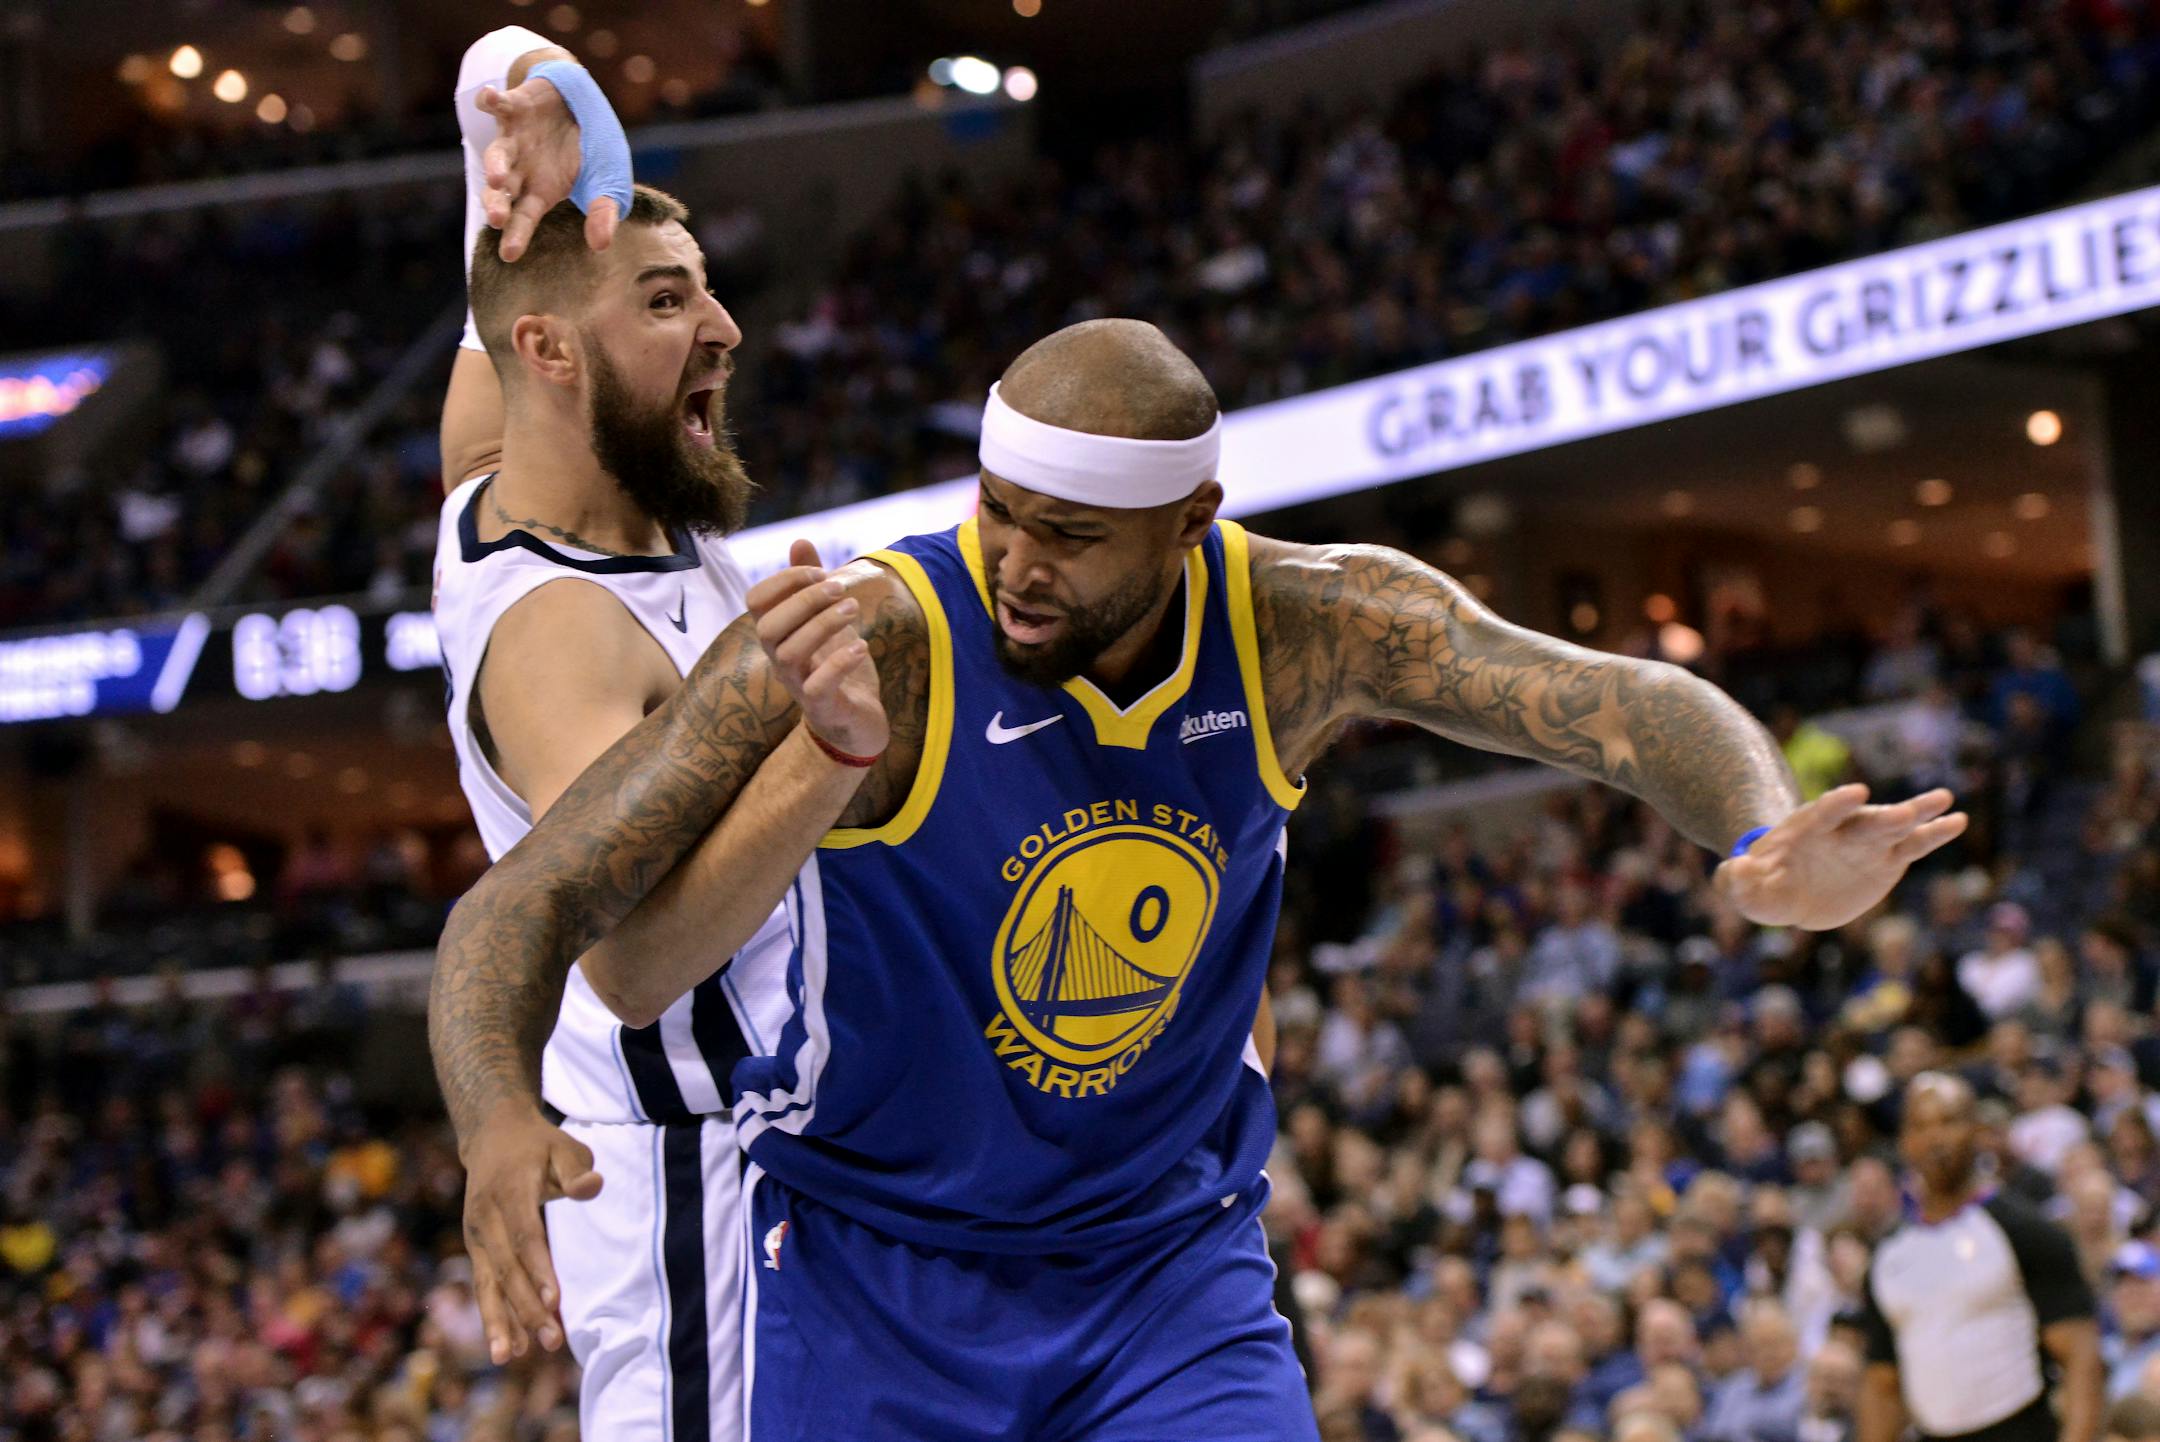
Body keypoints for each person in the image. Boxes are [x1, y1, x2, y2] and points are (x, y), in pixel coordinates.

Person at [430, 317, 1970, 1438]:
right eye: (999, 512)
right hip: (877, 1268)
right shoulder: (882, 632)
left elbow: (1623, 704)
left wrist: (1759, 836)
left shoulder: (1310, 623)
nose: (1017, 563)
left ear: (1191, 524)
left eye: (1070, 537)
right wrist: (498, 1110)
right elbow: (524, 901)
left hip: (1165, 1265)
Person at [426, 28, 874, 1441]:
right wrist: (827, 750)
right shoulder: (562, 640)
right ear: (553, 352)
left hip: (794, 1148)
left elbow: (497, 96)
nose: (726, 328)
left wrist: (544, 145)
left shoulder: (502, 472)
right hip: (697, 1181)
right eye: (670, 299)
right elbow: (631, 957)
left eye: (707, 289)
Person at [1859, 1073, 2102, 1442]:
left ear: (1977, 1130)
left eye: (1948, 1121)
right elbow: (1882, 1385)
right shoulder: (1887, 1257)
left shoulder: (2025, 1230)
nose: (1934, 1138)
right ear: (1904, 1142)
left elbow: (2082, 1359)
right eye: (1920, 1126)